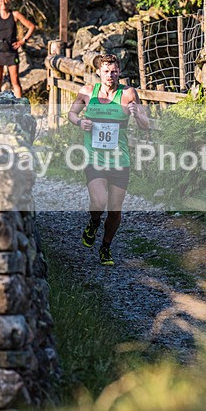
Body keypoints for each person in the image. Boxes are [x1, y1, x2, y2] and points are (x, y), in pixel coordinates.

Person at [67, 54, 150, 265]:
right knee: (99, 201)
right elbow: (72, 113)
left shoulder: (129, 93)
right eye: (106, 71)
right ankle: (94, 223)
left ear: (119, 72)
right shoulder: (87, 92)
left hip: (119, 160)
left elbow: (145, 124)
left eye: (113, 71)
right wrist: (79, 123)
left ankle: (105, 247)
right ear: (99, 73)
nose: (110, 75)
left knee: (114, 210)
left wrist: (136, 114)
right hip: (94, 158)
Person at [0, 0, 36, 98]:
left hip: (11, 51)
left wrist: (22, 41)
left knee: (15, 80)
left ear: (9, 2)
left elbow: (31, 26)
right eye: (1, 1)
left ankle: (20, 105)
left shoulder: (15, 15)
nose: (3, 3)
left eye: (5, 0)